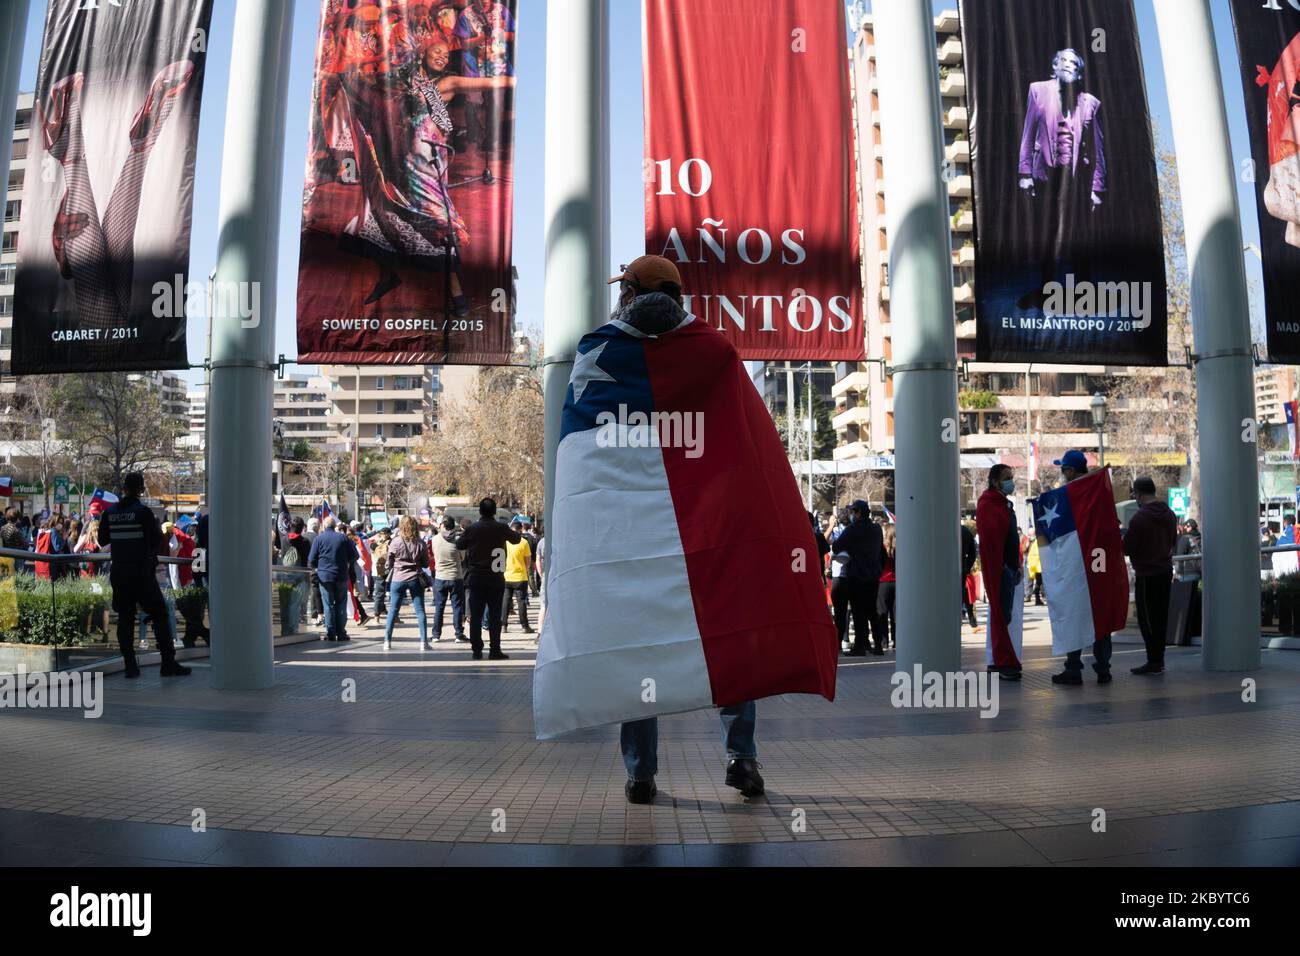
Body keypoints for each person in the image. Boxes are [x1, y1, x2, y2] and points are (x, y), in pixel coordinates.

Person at [1016, 47, 1106, 311]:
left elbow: (1099, 150)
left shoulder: (1090, 103)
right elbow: (1028, 131)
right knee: (1047, 236)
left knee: (1080, 238)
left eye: (1075, 64)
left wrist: (1097, 187)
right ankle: (1046, 292)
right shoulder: (1038, 91)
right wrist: (1024, 173)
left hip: (1077, 178)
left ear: (1079, 74)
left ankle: (1086, 293)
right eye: (1064, 61)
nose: (1069, 66)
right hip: (1046, 175)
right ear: (1054, 67)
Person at [97, 473, 190, 679]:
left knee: (125, 618)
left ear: (123, 488)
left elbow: (103, 539)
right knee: (160, 614)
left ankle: (130, 666)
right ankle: (167, 663)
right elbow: (156, 540)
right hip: (141, 574)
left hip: (120, 573)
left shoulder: (110, 513)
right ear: (140, 489)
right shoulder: (143, 512)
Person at [1051, 450, 1113, 685]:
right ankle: (1103, 667)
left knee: (1074, 613)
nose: (1062, 474)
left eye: (1063, 469)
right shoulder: (1099, 490)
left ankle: (1073, 668)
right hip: (1099, 560)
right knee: (1099, 614)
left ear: (1070, 470)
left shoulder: (1069, 494)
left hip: (1075, 562)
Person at [455, 496, 521, 659]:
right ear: (494, 511)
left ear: (480, 511)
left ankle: (477, 649)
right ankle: (495, 649)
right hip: (496, 577)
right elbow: (517, 539)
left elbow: (459, 544)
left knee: (475, 616)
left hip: (476, 577)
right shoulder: (501, 528)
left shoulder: (473, 529)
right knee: (494, 615)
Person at [1124, 477, 1177, 676]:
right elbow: (1173, 540)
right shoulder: (1170, 515)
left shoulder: (1139, 519)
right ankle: (1159, 659)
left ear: (1138, 493)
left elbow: (1128, 548)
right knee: (1161, 617)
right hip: (1165, 571)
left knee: (1147, 619)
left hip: (1146, 574)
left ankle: (1153, 661)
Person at [976, 463, 1023, 680]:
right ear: (995, 481)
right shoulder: (989, 504)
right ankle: (1002, 661)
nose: (1010, 481)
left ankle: (1000, 659)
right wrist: (1006, 566)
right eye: (1007, 477)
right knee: (1001, 614)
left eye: (1011, 476)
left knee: (1004, 615)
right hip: (1001, 568)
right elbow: (994, 540)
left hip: (1008, 567)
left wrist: (1016, 565)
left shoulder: (1003, 504)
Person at [829, 500, 886, 656]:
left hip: (857, 575)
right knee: (872, 611)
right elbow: (882, 550)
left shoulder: (852, 529)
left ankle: (860, 645)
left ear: (858, 512)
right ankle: (878, 645)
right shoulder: (876, 529)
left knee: (858, 611)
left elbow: (836, 546)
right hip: (874, 576)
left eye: (853, 512)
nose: (852, 515)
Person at [308, 516, 359, 642]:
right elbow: (355, 555)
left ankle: (330, 633)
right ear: (334, 525)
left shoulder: (319, 539)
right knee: (341, 604)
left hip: (325, 577)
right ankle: (341, 633)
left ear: (324, 526)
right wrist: (346, 563)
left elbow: (311, 559)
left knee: (328, 605)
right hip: (341, 575)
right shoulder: (343, 538)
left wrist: (318, 567)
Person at [384, 515, 430, 650]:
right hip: (415, 578)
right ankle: (423, 642)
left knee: (393, 610)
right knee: (420, 611)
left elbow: (389, 563)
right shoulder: (420, 543)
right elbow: (426, 563)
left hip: (398, 578)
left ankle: (387, 641)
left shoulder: (395, 542)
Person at [430, 514, 467, 641]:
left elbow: (434, 554)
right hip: (456, 577)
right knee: (457, 607)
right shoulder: (458, 540)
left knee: (439, 607)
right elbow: (462, 557)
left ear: (443, 525)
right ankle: (458, 634)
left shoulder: (435, 539)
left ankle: (436, 634)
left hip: (440, 577)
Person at [501, 517, 533, 634]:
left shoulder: (505, 542)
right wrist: (525, 569)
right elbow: (528, 561)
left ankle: (503, 625)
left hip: (506, 576)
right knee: (521, 602)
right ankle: (524, 626)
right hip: (520, 577)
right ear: (520, 530)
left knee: (505, 601)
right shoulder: (524, 542)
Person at [879, 523, 897, 649]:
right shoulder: (899, 548)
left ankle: (884, 640)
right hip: (897, 582)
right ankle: (896, 640)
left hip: (883, 582)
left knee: (882, 612)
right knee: (896, 614)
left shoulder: (881, 547)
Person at [960, 520, 979, 628]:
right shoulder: (965, 531)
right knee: (965, 593)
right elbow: (973, 553)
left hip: (946, 569)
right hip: (962, 567)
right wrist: (967, 566)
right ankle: (971, 618)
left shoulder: (943, 530)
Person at [1027, 535, 1044, 606]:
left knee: (1038, 582)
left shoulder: (1034, 543)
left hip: (1036, 566)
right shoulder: (1040, 542)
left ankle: (1038, 599)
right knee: (1039, 583)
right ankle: (1037, 599)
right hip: (1039, 566)